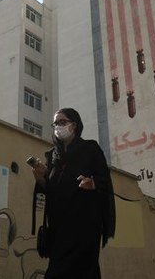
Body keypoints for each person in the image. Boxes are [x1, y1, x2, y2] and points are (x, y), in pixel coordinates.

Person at [31, 108, 115, 279]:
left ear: (74, 125)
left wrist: (92, 183)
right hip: (58, 231)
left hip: (84, 230)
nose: (58, 127)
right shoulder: (52, 156)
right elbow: (50, 190)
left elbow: (105, 181)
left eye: (62, 122)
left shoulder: (90, 149)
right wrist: (40, 178)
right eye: (55, 123)